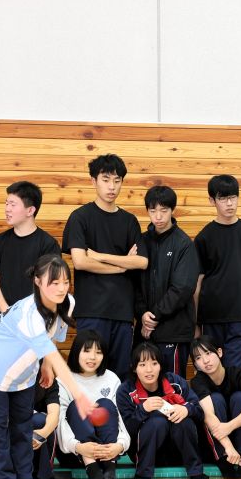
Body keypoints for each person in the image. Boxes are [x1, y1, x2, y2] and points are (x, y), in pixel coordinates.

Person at [0, 253, 93, 479]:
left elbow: (54, 341)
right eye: (54, 283)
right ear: (38, 282)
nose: (61, 289)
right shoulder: (30, 315)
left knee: (22, 424)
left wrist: (46, 365)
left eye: (65, 282)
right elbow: (56, 355)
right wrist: (79, 394)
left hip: (23, 370)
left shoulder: (66, 303)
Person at [62, 153, 145, 379]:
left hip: (123, 311)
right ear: (93, 181)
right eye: (106, 180)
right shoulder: (80, 217)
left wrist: (99, 256)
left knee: (119, 375)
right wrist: (121, 266)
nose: (112, 187)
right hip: (91, 310)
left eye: (117, 181)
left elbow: (141, 261)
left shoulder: (129, 221)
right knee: (88, 372)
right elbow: (80, 261)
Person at [194, 174, 241, 367]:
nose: (229, 203)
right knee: (211, 371)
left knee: (235, 371)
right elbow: (198, 283)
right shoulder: (204, 237)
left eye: (233, 197)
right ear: (212, 201)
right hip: (211, 316)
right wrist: (195, 322)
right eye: (223, 198)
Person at [116, 341, 207, 479]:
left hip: (177, 451)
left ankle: (195, 470)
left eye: (154, 363)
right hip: (143, 453)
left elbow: (200, 412)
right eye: (142, 365)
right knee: (157, 421)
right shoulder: (125, 390)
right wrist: (142, 410)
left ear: (160, 366)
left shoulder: (175, 382)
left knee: (183, 420)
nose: (149, 370)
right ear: (134, 368)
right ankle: (143, 473)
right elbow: (125, 430)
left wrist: (186, 409)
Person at [135, 185, 199, 378]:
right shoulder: (141, 241)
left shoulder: (184, 244)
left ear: (172, 210)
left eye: (164, 210)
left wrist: (152, 317)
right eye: (153, 211)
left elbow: (182, 288)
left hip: (174, 331)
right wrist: (141, 314)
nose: (158, 217)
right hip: (145, 332)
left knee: (172, 387)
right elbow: (133, 283)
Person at [56, 329, 130, 479]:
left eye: (98, 352)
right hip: (75, 452)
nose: (92, 357)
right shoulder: (63, 379)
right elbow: (60, 421)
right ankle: (92, 469)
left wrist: (120, 446)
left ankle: (110, 468)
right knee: (77, 405)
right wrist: (79, 447)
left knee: (106, 404)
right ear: (76, 352)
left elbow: (120, 419)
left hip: (108, 453)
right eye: (87, 351)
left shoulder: (111, 378)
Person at [0, 181, 60, 313]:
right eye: (7, 203)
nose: (7, 209)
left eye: (13, 205)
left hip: (36, 317)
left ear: (30, 210)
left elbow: (50, 283)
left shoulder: (48, 244)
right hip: (5, 317)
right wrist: (6, 313)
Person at [189, 335, 241, 478]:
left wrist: (229, 426)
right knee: (216, 399)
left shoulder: (240, 374)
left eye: (208, 353)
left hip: (235, 433)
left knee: (239, 397)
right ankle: (224, 456)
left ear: (219, 352)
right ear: (195, 364)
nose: (205, 361)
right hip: (216, 442)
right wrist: (229, 448)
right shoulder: (198, 381)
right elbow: (208, 416)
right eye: (198, 358)